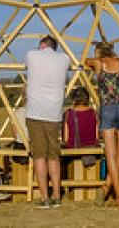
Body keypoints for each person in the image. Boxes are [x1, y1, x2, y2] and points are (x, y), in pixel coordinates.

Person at [84, 41, 119, 207]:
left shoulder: (98, 63)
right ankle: (108, 188)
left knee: (111, 155)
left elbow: (85, 61)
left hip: (108, 110)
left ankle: (114, 192)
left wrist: (95, 58)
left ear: (98, 52)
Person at [25, 35, 71, 209]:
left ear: (42, 45)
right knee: (53, 156)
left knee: (39, 156)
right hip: (54, 114)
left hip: (35, 113)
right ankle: (57, 196)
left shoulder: (31, 54)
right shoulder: (64, 59)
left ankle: (45, 198)